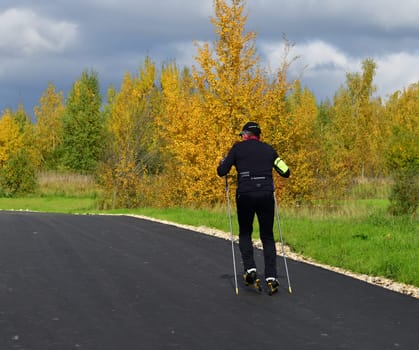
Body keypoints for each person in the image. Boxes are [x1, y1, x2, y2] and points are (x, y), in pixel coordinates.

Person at [217, 121, 290, 294]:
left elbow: (222, 171)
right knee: (267, 235)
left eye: (242, 134)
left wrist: (223, 162)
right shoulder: (268, 150)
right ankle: (271, 277)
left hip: (245, 195)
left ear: (246, 135)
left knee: (245, 233)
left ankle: (250, 268)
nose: (241, 137)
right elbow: (286, 171)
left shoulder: (237, 149)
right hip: (265, 195)